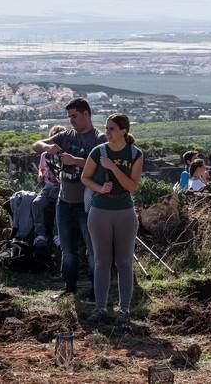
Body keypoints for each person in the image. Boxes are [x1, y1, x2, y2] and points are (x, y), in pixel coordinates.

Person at [32, 98, 107, 298]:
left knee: (93, 250)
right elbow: (36, 145)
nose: (71, 121)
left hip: (88, 204)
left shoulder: (99, 139)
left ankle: (96, 290)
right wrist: (48, 148)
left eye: (74, 116)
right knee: (67, 248)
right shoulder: (66, 136)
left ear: (86, 114)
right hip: (64, 201)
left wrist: (75, 161)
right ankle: (70, 287)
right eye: (69, 117)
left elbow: (103, 166)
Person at [81, 113, 143, 326]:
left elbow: (132, 186)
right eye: (106, 128)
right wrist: (100, 188)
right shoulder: (98, 152)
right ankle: (100, 308)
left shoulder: (135, 153)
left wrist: (113, 168)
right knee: (102, 262)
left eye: (111, 129)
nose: (106, 133)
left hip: (124, 210)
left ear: (123, 130)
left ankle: (124, 310)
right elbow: (85, 177)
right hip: (100, 211)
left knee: (124, 262)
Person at [32, 125, 66, 248]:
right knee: (37, 203)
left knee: (59, 204)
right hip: (48, 185)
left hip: (62, 186)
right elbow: (42, 169)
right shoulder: (45, 155)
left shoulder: (65, 154)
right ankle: (40, 234)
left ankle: (57, 234)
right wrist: (41, 175)